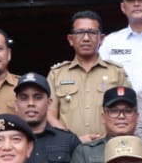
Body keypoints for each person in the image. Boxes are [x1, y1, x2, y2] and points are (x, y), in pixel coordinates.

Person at [48, 11, 129, 142]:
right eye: (79, 32)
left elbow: (127, 111)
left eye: (92, 32)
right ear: (70, 39)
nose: (86, 38)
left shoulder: (116, 72)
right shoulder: (57, 74)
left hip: (109, 146)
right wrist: (72, 140)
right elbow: (49, 114)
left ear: (101, 39)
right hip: (68, 149)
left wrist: (107, 138)